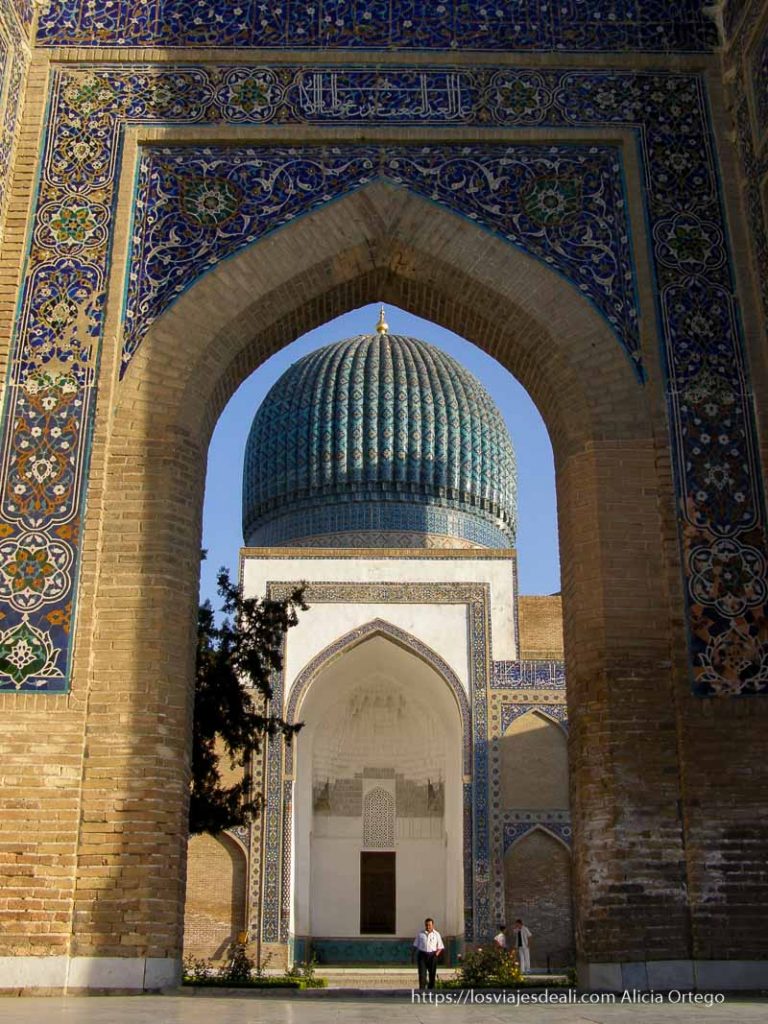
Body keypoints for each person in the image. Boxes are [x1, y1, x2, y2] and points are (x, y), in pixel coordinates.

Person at [412, 917, 444, 990]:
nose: (428, 926)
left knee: (432, 974)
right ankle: (422, 990)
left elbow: (440, 947)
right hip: (422, 956)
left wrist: (436, 955)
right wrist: (413, 956)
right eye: (426, 925)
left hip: (432, 956)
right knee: (422, 974)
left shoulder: (436, 934)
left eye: (429, 925)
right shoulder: (420, 934)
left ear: (433, 925)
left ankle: (431, 989)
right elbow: (415, 945)